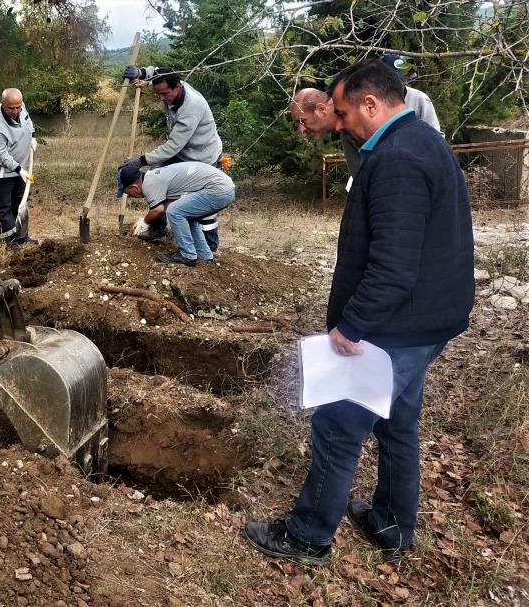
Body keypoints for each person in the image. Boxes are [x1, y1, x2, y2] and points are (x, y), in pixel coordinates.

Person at [245, 58, 474, 566]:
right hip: (428, 318)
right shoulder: (421, 140)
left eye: (345, 113)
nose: (340, 123)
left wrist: (354, 325)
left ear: (372, 103)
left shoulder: (396, 161)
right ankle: (392, 523)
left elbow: (393, 266)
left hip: (398, 324)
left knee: (338, 423)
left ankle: (307, 536)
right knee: (396, 421)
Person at [119, 66, 226, 249]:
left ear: (178, 86)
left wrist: (141, 160)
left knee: (202, 200)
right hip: (183, 153)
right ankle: (158, 226)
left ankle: (209, 244)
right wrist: (140, 73)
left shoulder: (191, 107)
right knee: (155, 178)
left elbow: (172, 146)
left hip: (202, 156)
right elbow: (156, 71)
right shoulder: (169, 82)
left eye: (165, 94)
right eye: (158, 94)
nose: (161, 98)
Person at [290, 55, 440, 177]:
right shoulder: (349, 130)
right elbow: (360, 175)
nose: (301, 129)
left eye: (303, 121)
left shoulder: (419, 100)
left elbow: (436, 145)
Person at [117, 161, 234, 266]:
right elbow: (164, 206)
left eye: (128, 193)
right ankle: (204, 254)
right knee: (185, 215)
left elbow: (157, 210)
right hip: (224, 188)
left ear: (134, 186)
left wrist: (144, 223)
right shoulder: (154, 177)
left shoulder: (149, 184)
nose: (131, 196)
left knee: (175, 211)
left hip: (217, 190)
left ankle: (188, 255)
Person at [0, 87, 37, 246]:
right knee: (3, 208)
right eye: (11, 108)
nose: (15, 111)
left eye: (18, 107)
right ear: (3, 104)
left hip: (20, 169)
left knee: (20, 204)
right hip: (0, 174)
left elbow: (28, 121)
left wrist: (32, 136)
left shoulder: (21, 107)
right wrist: (19, 170)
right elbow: (1, 155)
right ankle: (9, 242)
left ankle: (22, 238)